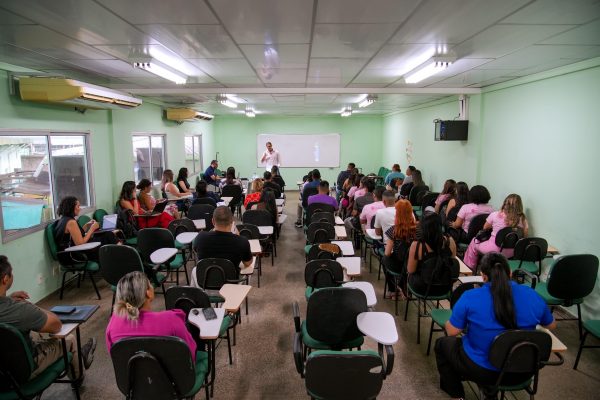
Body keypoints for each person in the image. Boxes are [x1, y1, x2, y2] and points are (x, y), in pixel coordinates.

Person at [435, 253, 556, 399]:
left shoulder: (470, 297)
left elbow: (452, 332)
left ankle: (457, 395)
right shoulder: (532, 295)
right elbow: (551, 325)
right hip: (523, 371)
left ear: (483, 276)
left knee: (442, 344)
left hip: (483, 370)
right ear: (510, 273)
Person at [0, 256, 96, 380]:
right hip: (21, 372)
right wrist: (30, 306)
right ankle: (78, 377)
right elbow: (56, 325)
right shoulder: (21, 310)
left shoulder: (13, 307)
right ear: (5, 279)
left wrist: (9, 299)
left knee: (33, 333)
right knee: (69, 339)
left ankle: (80, 358)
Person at [105, 271, 197, 362]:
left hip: (133, 376)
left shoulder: (113, 324)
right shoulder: (171, 320)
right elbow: (191, 354)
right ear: (148, 292)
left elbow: (115, 357)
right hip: (172, 376)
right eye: (150, 284)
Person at [464, 194, 529, 269]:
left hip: (494, 249)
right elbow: (525, 235)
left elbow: (485, 227)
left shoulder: (495, 215)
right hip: (512, 252)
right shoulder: (523, 219)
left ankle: (469, 268)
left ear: (505, 203)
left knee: (474, 242)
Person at [191, 207, 253, 280]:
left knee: (194, 270)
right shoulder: (242, 241)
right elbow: (248, 263)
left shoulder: (200, 237)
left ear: (213, 221)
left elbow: (195, 251)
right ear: (232, 221)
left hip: (204, 281)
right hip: (231, 282)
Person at [407, 212, 457, 296]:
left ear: (423, 227)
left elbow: (411, 270)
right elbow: (451, 264)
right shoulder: (450, 241)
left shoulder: (417, 245)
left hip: (423, 288)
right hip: (444, 287)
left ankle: (405, 294)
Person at [53, 196, 118, 253]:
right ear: (71, 207)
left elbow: (75, 235)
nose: (80, 209)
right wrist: (92, 229)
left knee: (107, 235)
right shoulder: (71, 222)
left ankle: (119, 251)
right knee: (109, 236)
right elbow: (80, 243)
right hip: (73, 253)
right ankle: (121, 251)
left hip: (72, 249)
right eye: (78, 206)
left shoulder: (63, 219)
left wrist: (86, 225)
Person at [383, 200, 417, 296]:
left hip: (398, 265)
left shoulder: (394, 230)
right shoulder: (418, 230)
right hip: (415, 266)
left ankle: (393, 290)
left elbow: (387, 253)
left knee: (384, 259)